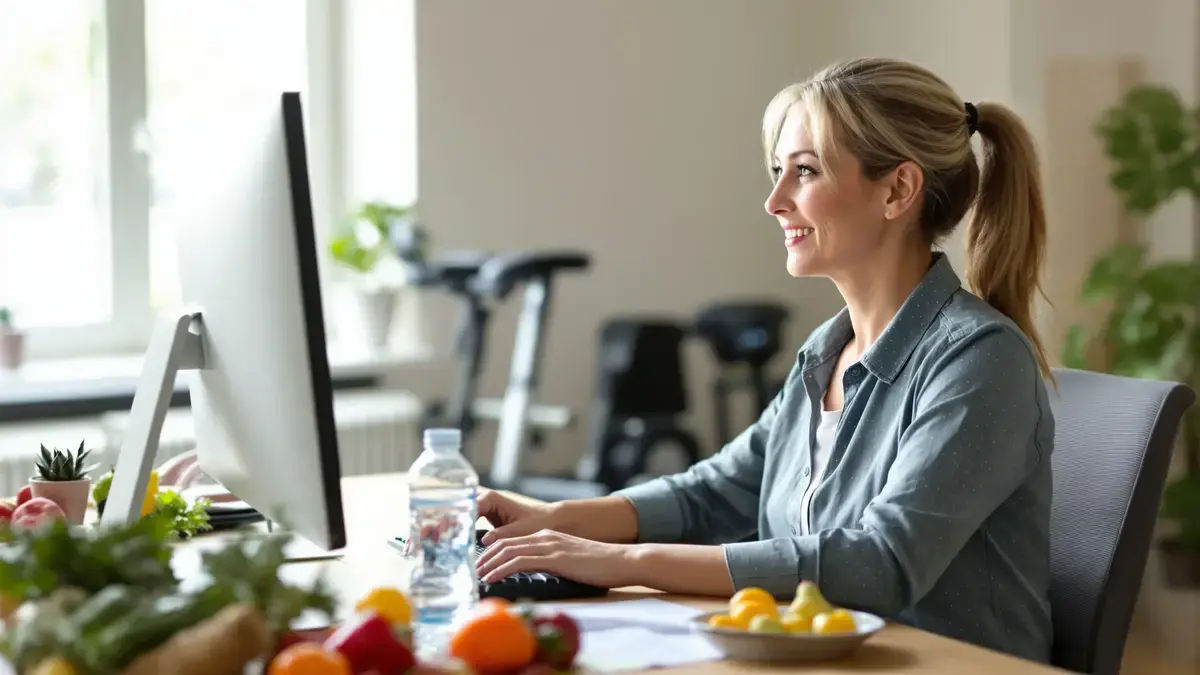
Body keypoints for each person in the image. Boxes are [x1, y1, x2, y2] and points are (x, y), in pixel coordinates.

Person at [475, 57, 1056, 664]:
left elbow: (880, 562)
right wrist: (554, 519)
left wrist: (620, 562)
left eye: (803, 172)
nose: (774, 201)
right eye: (779, 172)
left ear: (897, 191)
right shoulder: (826, 353)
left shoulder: (979, 360)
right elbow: (716, 492)